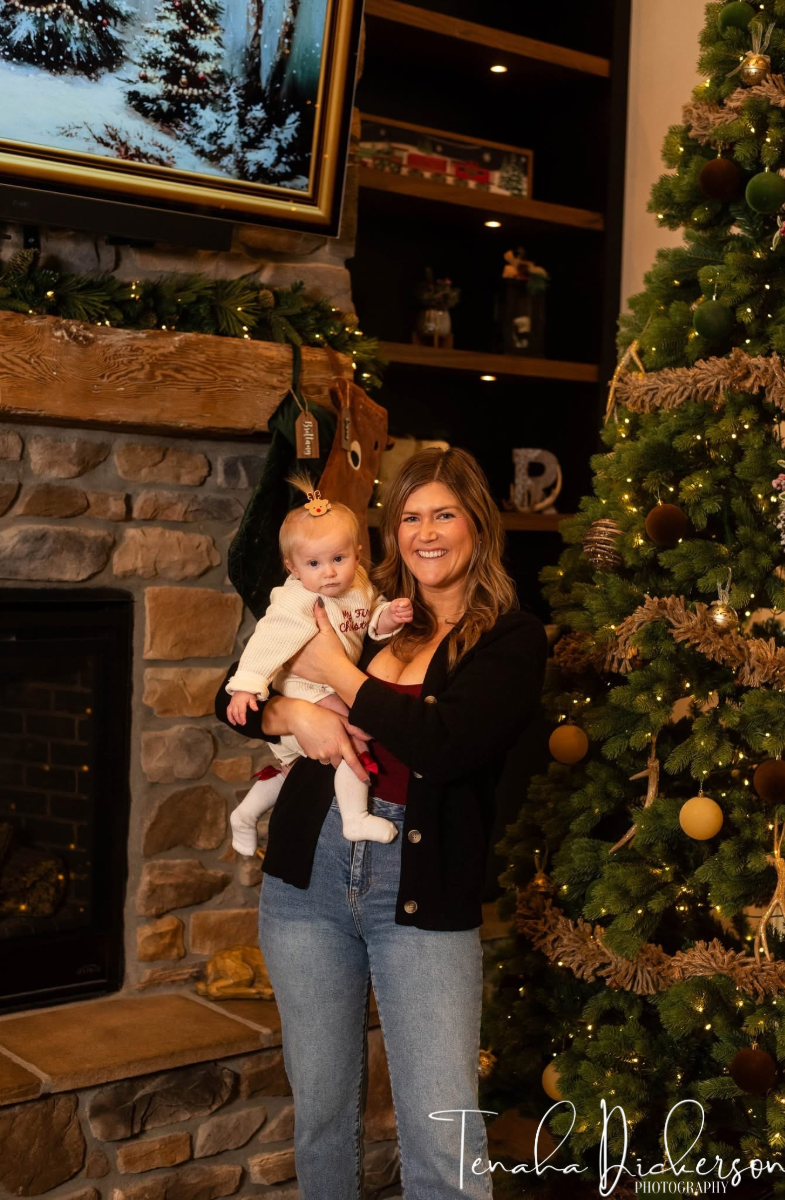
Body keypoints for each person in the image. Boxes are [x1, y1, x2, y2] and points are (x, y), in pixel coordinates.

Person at [215, 446, 548, 1199]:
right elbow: (233, 693)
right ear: (390, 531)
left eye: (443, 515)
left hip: (420, 885)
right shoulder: (362, 603)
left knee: (442, 1132)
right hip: (308, 874)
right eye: (409, 517)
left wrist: (333, 671)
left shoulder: (511, 638)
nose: (425, 533)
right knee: (323, 1114)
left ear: (477, 525)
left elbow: (443, 744)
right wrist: (292, 711)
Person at [224, 474, 414, 851]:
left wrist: (388, 617)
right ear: (293, 568)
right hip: (304, 687)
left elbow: (370, 616)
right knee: (356, 734)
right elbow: (267, 639)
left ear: (357, 554)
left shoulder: (358, 582)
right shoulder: (297, 600)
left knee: (296, 766)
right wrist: (246, 685)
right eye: (314, 563)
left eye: (338, 559)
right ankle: (355, 819)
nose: (329, 572)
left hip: (330, 681)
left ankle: (245, 814)